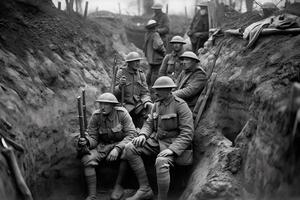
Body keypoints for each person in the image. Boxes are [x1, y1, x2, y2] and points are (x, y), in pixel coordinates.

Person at [123, 76, 194, 200]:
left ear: (169, 90)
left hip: (173, 144)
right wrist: (143, 135)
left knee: (161, 161)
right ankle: (145, 189)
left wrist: (172, 149)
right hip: (157, 141)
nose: (156, 92)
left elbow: (187, 133)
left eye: (160, 90)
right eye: (156, 89)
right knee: (130, 148)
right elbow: (149, 123)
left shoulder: (180, 105)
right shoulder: (156, 105)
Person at [77, 93, 137, 200]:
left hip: (121, 144)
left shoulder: (122, 114)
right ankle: (92, 195)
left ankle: (118, 186)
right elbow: (93, 138)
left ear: (113, 105)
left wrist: (117, 149)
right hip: (103, 146)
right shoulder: (96, 116)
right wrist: (86, 141)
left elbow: (131, 134)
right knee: (87, 159)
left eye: (106, 104)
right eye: (101, 104)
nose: (102, 107)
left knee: (127, 153)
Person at [114, 52, 153, 128]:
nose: (137, 64)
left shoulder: (141, 75)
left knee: (150, 108)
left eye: (138, 61)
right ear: (129, 63)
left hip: (137, 106)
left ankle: (143, 132)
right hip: (124, 105)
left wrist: (147, 101)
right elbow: (114, 93)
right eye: (135, 61)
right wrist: (120, 86)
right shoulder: (121, 73)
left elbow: (145, 92)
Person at [144, 20, 166, 88]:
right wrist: (164, 52)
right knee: (155, 73)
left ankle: (146, 85)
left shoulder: (147, 34)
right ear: (154, 27)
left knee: (150, 71)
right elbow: (158, 46)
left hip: (150, 57)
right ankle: (154, 87)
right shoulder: (155, 34)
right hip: (156, 57)